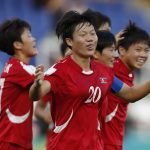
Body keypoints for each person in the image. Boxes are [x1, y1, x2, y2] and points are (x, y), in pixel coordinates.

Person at [29, 10, 150, 150]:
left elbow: (130, 94)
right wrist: (37, 85)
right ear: (69, 41)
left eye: (92, 34)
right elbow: (36, 95)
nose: (90, 38)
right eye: (83, 35)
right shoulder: (60, 70)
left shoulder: (103, 71)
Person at [101, 21, 150, 150]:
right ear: (122, 50)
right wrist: (109, 45)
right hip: (105, 142)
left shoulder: (127, 72)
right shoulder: (111, 69)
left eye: (146, 50)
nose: (143, 55)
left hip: (114, 140)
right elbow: (131, 95)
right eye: (138, 49)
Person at [0, 18, 38, 150]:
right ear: (18, 45)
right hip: (12, 142)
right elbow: (53, 79)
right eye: (29, 35)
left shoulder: (13, 67)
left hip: (13, 140)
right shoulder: (20, 69)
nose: (34, 39)